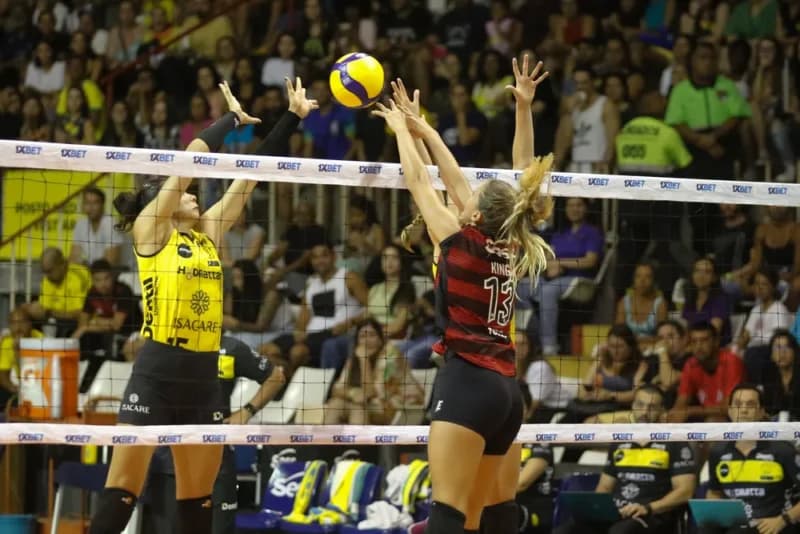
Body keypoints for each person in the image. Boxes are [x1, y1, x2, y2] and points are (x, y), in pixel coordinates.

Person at [88, 78, 317, 534]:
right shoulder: (152, 231)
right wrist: (230, 120)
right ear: (163, 202)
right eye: (185, 193)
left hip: (202, 374)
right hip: (157, 369)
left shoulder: (209, 232)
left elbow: (254, 175)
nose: (194, 195)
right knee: (123, 490)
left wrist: (291, 116)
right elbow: (190, 162)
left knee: (197, 498)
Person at [372, 55, 551, 534]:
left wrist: (403, 134)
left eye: (469, 197)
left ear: (472, 215)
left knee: (447, 515)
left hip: (468, 382)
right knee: (494, 512)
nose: (460, 192)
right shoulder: (512, 243)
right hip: (507, 392)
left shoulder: (456, 240)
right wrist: (424, 129)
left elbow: (420, 182)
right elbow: (474, 177)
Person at [141, 336, 285, 534]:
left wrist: (246, 411)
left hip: (217, 457)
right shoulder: (163, 345)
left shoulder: (230, 347)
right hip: (169, 459)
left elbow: (275, 377)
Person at [555, 385, 697, 534]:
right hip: (617, 512)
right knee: (566, 530)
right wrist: (595, 509)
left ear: (662, 410)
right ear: (633, 406)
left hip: (652, 515)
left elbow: (685, 491)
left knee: (620, 532)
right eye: (640, 405)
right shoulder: (621, 440)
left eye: (652, 407)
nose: (644, 412)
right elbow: (604, 487)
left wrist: (648, 508)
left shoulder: (675, 442)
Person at [702, 383, 800, 534]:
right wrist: (714, 510)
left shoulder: (782, 450)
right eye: (738, 404)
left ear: (761, 412)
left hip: (774, 528)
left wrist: (783, 520)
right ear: (730, 411)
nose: (744, 410)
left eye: (751, 404)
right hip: (736, 528)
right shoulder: (718, 451)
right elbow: (715, 492)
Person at [72, 259, 142, 392]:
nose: (103, 284)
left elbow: (116, 325)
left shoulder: (123, 291)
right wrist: (87, 326)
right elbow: (82, 322)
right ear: (93, 280)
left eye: (106, 278)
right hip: (106, 334)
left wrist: (91, 323)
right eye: (98, 280)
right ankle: (83, 387)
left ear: (112, 277)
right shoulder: (92, 293)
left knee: (103, 339)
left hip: (132, 333)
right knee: (82, 340)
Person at [666, 321, 745, 423]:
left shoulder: (731, 361)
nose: (698, 346)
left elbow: (729, 407)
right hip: (704, 416)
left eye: (704, 340)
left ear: (716, 341)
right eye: (694, 341)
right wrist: (674, 414)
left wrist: (690, 411)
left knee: (713, 421)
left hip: (733, 419)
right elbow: (681, 402)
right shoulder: (691, 364)